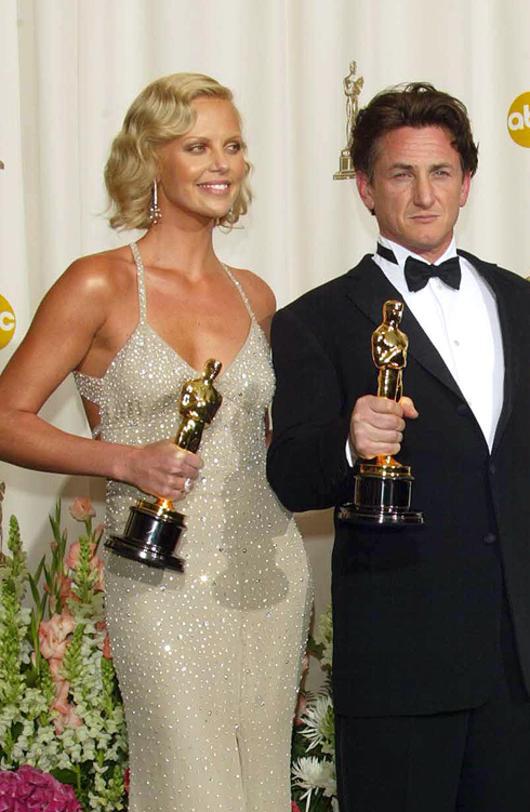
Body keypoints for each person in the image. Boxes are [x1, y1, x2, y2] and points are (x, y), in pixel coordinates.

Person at [0, 72, 312, 811]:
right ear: (150, 159)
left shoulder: (255, 295)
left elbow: (265, 441)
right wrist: (125, 460)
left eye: (232, 145)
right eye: (197, 146)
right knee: (189, 783)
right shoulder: (98, 284)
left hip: (267, 567)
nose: (222, 163)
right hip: (157, 574)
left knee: (260, 784)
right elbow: (8, 415)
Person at [267, 82, 530, 811]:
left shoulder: (521, 302)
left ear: (467, 182)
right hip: (402, 666)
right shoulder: (314, 320)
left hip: (517, 665)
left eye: (440, 172)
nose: (423, 194)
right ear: (365, 187)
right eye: (400, 174)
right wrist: (349, 442)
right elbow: (290, 476)